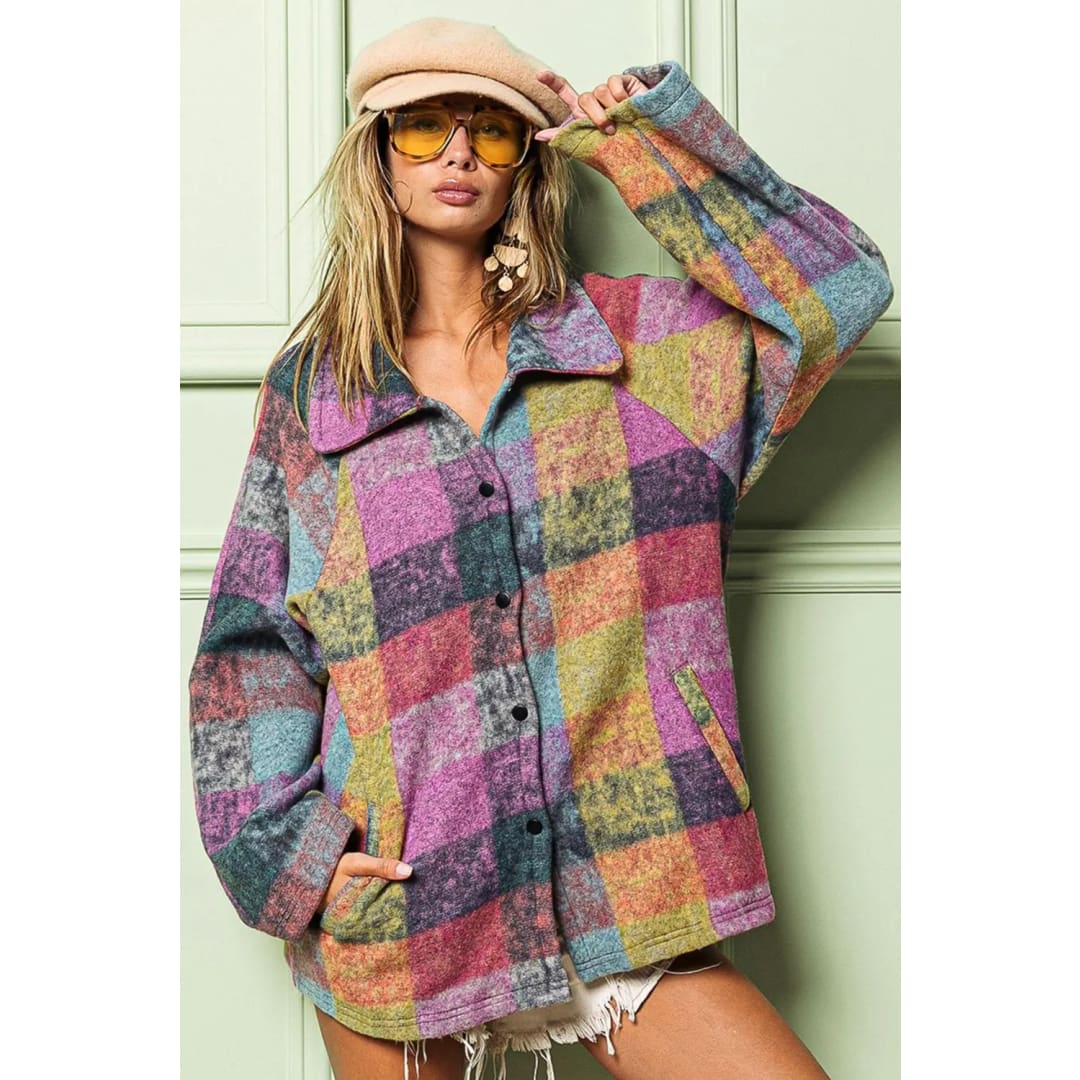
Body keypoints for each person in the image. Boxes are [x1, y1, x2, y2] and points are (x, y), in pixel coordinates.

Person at [187, 15, 893, 1080]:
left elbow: (839, 290)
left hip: (633, 866)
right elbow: (249, 657)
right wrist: (298, 864)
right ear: (378, 154)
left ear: (527, 157)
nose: (459, 152)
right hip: (412, 898)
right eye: (423, 126)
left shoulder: (649, 350)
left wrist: (646, 139)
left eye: (491, 129)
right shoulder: (320, 394)